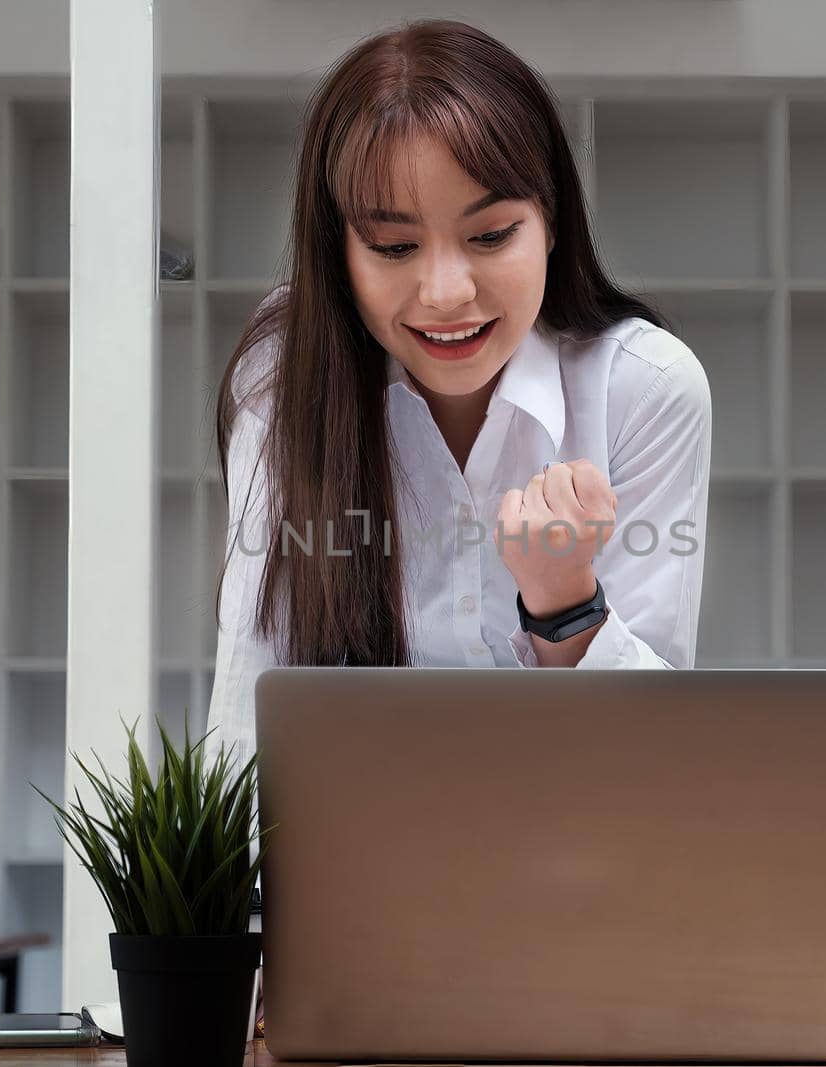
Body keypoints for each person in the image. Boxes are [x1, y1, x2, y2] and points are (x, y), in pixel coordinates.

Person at [204, 17, 713, 771]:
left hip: (578, 860)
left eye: (490, 235)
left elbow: (654, 756)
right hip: (348, 865)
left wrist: (563, 601)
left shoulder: (647, 387)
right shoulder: (285, 374)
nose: (446, 293)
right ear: (338, 252)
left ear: (549, 224)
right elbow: (250, 697)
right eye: (394, 246)